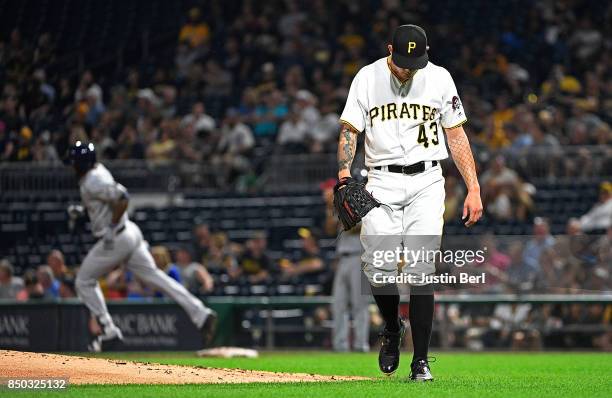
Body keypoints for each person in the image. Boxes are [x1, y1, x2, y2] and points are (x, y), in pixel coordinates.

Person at [336, 25, 483, 380]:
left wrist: (474, 187)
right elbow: (349, 130)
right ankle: (391, 327)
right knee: (377, 268)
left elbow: (456, 135)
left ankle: (420, 361)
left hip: (427, 181)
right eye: (402, 62)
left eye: (415, 61)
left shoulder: (439, 78)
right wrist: (343, 175)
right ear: (389, 50)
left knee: (422, 268)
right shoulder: (367, 77)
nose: (408, 68)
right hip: (381, 181)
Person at [65, 141, 217, 351]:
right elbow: (103, 200)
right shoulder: (97, 172)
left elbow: (122, 198)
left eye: (73, 162)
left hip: (117, 238)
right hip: (130, 232)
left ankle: (108, 331)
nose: (71, 166)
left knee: (83, 281)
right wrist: (83, 211)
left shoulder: (93, 180)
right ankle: (200, 313)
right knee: (156, 277)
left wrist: (111, 225)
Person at [322, 179, 370, 352]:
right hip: (342, 258)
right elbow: (328, 229)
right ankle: (340, 345)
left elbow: (352, 227)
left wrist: (338, 207)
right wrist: (330, 208)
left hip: (359, 257)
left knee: (359, 303)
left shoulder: (361, 202)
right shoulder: (339, 205)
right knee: (338, 303)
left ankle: (360, 344)